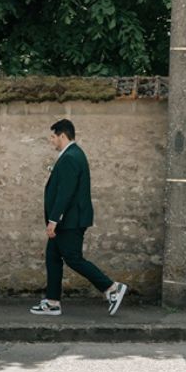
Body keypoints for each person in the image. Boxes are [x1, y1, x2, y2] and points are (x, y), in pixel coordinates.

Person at [31, 119, 127, 316]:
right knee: (53, 257)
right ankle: (52, 302)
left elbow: (65, 192)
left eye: (53, 136)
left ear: (62, 136)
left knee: (73, 258)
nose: (51, 140)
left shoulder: (70, 158)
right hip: (68, 220)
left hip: (69, 221)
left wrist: (54, 220)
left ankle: (111, 288)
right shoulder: (71, 155)